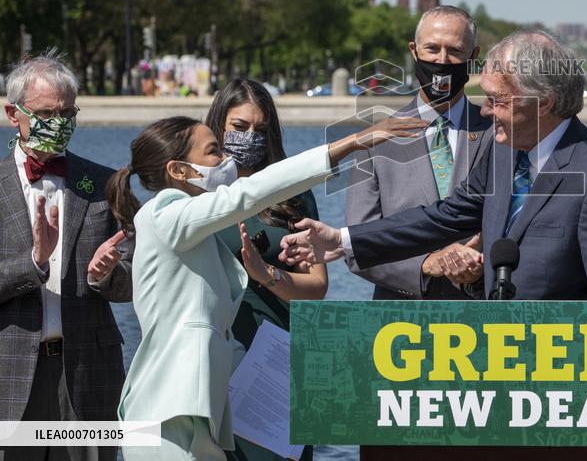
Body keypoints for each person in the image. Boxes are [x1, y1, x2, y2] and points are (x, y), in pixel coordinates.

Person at [108, 114, 423, 460]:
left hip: (198, 416)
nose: (226, 160)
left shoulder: (193, 232)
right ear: (179, 171)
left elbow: (215, 332)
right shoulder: (165, 215)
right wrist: (343, 147)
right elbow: (247, 195)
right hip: (169, 414)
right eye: (213, 151)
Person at [280, 30, 587, 302]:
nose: (485, 112)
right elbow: (442, 218)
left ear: (544, 103)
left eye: (496, 100)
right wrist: (342, 240)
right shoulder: (504, 153)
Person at [0, 51, 132, 461]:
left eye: (67, 112)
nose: (57, 123)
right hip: (11, 371)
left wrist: (104, 275)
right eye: (45, 113)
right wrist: (35, 261)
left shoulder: (106, 183)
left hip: (89, 371)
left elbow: (141, 276)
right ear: (12, 113)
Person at [204, 77, 328, 461]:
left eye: (260, 130)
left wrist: (267, 275)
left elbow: (318, 285)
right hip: (213, 356)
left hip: (276, 355)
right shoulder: (195, 192)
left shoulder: (292, 192)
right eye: (239, 128)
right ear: (218, 124)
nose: (250, 137)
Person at [346, 5, 493, 300]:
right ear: (414, 51)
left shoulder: (500, 133)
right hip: (401, 320)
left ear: (473, 57)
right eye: (432, 49)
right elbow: (357, 244)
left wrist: (482, 266)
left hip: (482, 311)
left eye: (455, 51)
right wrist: (425, 265)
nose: (442, 60)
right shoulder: (375, 140)